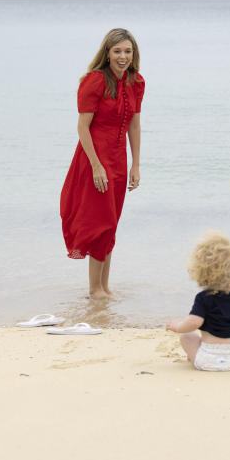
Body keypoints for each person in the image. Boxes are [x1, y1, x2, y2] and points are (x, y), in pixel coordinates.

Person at [60, 28, 145, 299]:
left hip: (119, 160)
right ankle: (95, 289)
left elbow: (134, 125)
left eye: (128, 51)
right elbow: (82, 127)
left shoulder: (136, 82)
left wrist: (136, 165)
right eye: (117, 51)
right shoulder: (94, 81)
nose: (123, 56)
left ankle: (104, 287)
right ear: (107, 53)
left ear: (134, 54)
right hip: (94, 159)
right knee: (101, 223)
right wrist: (96, 166)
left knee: (112, 223)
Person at [166, 230, 230, 371]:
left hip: (207, 360)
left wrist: (178, 327)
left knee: (187, 336)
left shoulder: (204, 298)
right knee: (225, 343)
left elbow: (194, 322)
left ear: (200, 270)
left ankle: (192, 356)